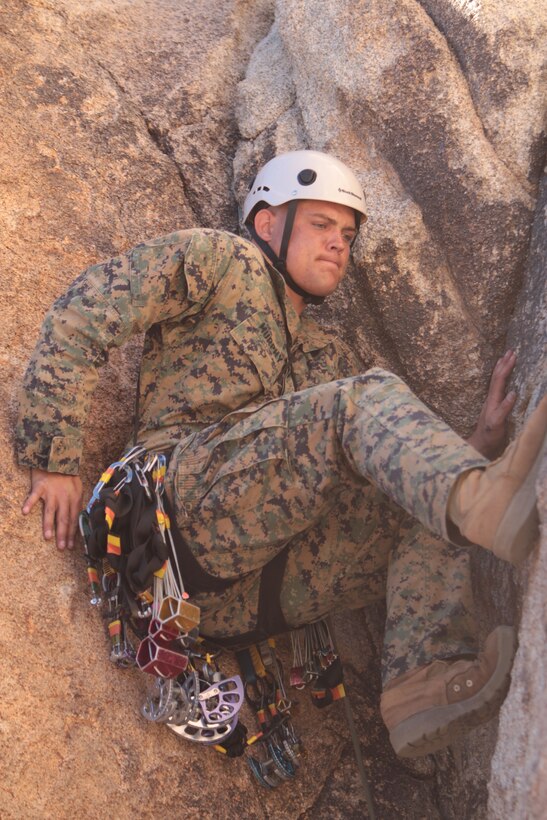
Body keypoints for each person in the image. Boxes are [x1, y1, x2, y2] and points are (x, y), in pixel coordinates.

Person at [17, 150, 546, 758]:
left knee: (414, 502)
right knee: (362, 400)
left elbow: (386, 470)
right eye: (322, 225)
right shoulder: (223, 260)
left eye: (347, 235)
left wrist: (476, 444)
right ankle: (484, 494)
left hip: (234, 604)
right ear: (268, 222)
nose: (339, 245)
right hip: (176, 514)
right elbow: (86, 310)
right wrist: (53, 455)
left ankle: (421, 681)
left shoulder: (328, 356)